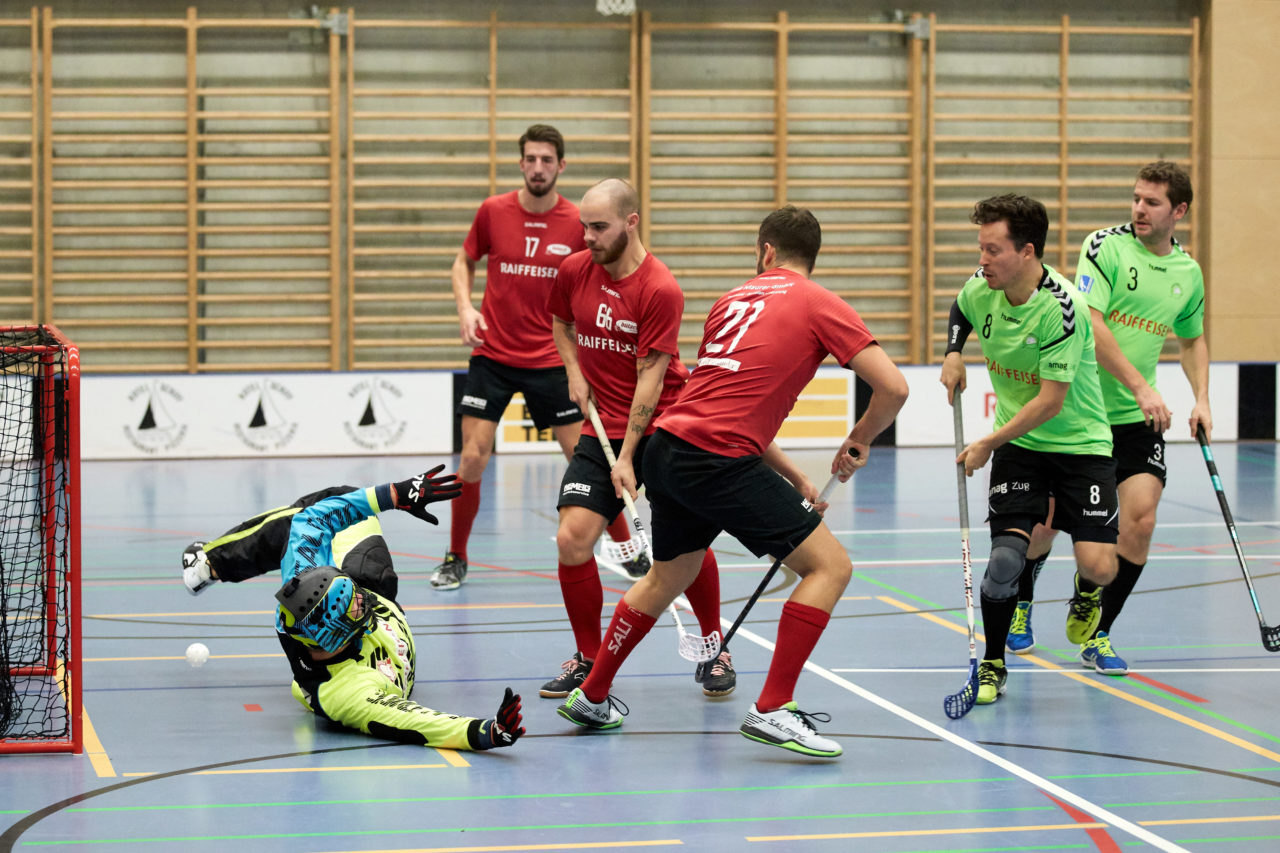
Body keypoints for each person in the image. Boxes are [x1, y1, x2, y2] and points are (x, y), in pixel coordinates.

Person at [555, 205, 909, 758]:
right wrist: (858, 439)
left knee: (671, 572)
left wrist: (791, 476)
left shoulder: (730, 301)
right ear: (808, 256)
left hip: (667, 448)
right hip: (717, 458)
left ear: (766, 251)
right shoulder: (819, 302)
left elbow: (715, 401)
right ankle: (773, 708)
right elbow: (893, 388)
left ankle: (593, 694)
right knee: (830, 567)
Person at [1007, 162, 1210, 674]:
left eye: (1153, 202)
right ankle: (1021, 605)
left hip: (1136, 418)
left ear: (1179, 211)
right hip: (1080, 411)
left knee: (1139, 521)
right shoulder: (1105, 246)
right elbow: (1091, 323)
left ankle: (1097, 629)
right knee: (1046, 524)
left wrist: (1201, 397)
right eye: (1137, 198)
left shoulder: (1188, 273)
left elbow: (1192, 339)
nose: (1140, 208)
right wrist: (1142, 386)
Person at [541, 178, 735, 700]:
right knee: (572, 539)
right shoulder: (575, 270)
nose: (587, 237)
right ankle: (586, 657)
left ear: (632, 222)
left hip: (667, 426)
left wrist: (628, 456)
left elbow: (651, 378)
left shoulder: (659, 289)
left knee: (684, 547)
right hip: (599, 424)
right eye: (584, 225)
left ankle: (715, 646)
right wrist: (573, 371)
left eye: (599, 227)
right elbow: (561, 322)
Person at [179, 466, 525, 752]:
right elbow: (417, 722)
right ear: (336, 636)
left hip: (350, 592)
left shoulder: (303, 590)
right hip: (382, 616)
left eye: (355, 596)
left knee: (316, 511)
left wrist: (394, 494)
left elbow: (313, 520)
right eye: (357, 607)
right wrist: (486, 732)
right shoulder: (348, 695)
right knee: (341, 536)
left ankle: (209, 563)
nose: (363, 601)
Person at [443, 123, 644, 591]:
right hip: (493, 356)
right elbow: (463, 261)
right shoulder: (493, 211)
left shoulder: (580, 222)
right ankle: (455, 556)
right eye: (530, 159)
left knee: (586, 454)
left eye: (546, 160)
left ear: (561, 166)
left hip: (552, 358)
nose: (538, 168)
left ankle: (628, 548)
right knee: (472, 457)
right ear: (520, 164)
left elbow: (602, 277)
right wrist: (466, 307)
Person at [940, 194, 1119, 706]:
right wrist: (954, 353)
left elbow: (1050, 401)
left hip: (1081, 445)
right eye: (981, 248)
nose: (982, 260)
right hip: (1021, 448)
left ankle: (1086, 592)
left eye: (993, 250)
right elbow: (961, 308)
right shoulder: (983, 288)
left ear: (1027, 251)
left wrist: (985, 443)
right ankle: (993, 663)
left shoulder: (1063, 310)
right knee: (1004, 561)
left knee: (1101, 566)